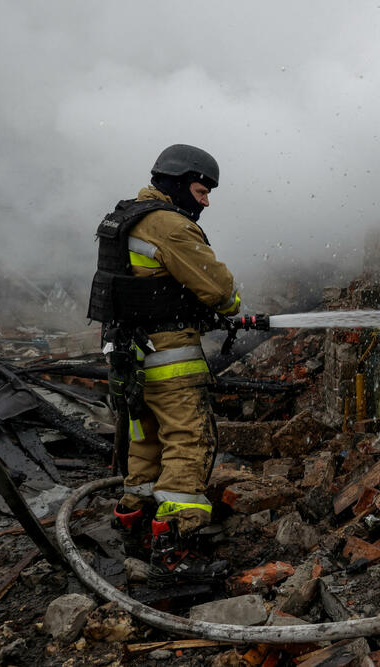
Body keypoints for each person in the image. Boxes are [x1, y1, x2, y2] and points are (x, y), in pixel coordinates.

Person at [87, 144, 240, 583]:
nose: (206, 201)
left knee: (145, 444)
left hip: (130, 358)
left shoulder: (123, 218)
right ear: (177, 183)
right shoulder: (168, 225)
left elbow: (145, 289)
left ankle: (135, 527)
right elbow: (218, 287)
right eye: (201, 190)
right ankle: (177, 551)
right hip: (169, 360)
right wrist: (232, 307)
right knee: (189, 441)